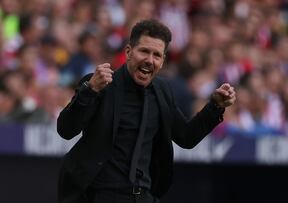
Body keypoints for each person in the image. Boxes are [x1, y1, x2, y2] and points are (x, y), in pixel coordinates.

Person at [57, 19, 236, 203]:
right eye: (144, 51)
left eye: (157, 55)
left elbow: (186, 137)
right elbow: (66, 130)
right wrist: (89, 90)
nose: (149, 60)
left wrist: (215, 106)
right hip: (100, 195)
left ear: (163, 60)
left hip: (143, 196)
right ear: (128, 52)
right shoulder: (100, 84)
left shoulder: (162, 91)